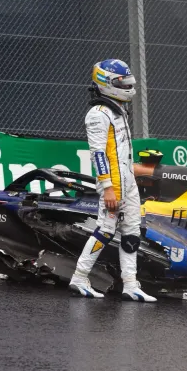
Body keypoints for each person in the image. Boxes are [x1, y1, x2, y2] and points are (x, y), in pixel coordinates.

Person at [68, 59, 157, 303]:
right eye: (122, 82)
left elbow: (120, 154)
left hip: (128, 183)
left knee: (131, 232)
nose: (128, 86)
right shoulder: (98, 115)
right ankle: (79, 276)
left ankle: (130, 284)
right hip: (114, 185)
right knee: (105, 231)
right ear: (106, 83)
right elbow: (98, 154)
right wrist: (107, 188)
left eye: (128, 81)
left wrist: (138, 171)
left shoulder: (117, 109)